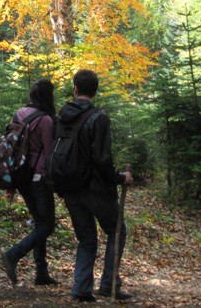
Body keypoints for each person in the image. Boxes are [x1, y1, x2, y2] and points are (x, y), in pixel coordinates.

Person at [55, 69, 133, 302]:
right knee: (117, 230)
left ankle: (81, 288)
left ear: (75, 89)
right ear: (95, 92)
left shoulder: (61, 117)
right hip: (95, 189)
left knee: (86, 238)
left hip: (69, 187)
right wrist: (120, 178)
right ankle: (109, 284)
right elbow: (101, 159)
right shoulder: (98, 118)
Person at [1, 79, 58, 286]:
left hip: (21, 176)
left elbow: (12, 148)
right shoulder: (46, 120)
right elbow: (50, 152)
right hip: (39, 178)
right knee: (47, 225)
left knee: (39, 223)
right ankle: (13, 254)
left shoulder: (18, 114)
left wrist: (11, 184)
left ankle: (41, 273)